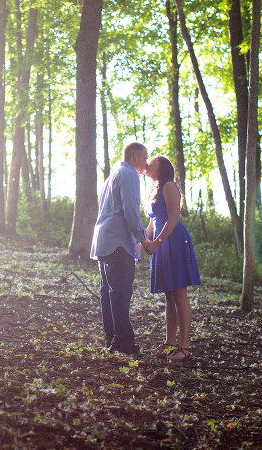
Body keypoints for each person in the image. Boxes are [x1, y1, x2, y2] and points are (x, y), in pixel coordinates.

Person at [90, 142, 151, 356]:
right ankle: (123, 343)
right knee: (120, 293)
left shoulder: (112, 176)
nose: (147, 162)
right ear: (134, 158)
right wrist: (142, 240)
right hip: (117, 242)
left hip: (104, 241)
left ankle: (113, 340)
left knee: (108, 293)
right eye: (145, 157)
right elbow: (131, 212)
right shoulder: (129, 175)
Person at [142, 155, 200, 362]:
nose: (147, 163)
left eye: (152, 161)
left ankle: (184, 347)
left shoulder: (168, 186)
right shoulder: (153, 189)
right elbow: (152, 220)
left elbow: (173, 218)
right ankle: (169, 342)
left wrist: (157, 242)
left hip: (174, 241)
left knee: (179, 294)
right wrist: (146, 240)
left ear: (162, 167)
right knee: (169, 294)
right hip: (160, 243)